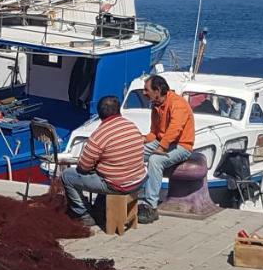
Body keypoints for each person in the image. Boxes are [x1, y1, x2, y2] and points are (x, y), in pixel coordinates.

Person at [60, 95, 146, 227]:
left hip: (118, 185)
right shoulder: (131, 126)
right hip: (139, 180)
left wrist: (94, 166)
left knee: (67, 176)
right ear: (119, 111)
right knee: (105, 173)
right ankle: (99, 209)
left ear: (99, 114)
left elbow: (83, 167)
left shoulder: (100, 134)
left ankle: (83, 214)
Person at [140, 74, 195, 223]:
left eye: (146, 90)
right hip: (162, 141)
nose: (144, 93)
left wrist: (162, 147)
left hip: (181, 145)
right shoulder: (156, 106)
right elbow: (154, 133)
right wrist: (142, 139)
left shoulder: (177, 104)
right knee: (133, 152)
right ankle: (128, 193)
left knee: (155, 160)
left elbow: (175, 129)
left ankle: (150, 206)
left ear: (157, 90)